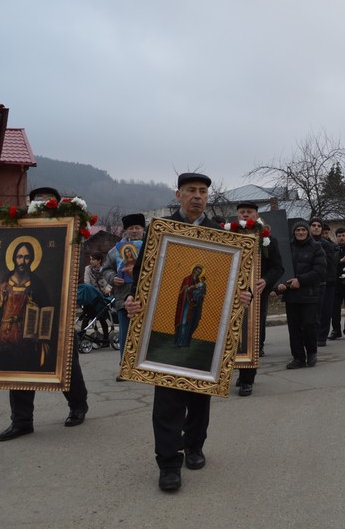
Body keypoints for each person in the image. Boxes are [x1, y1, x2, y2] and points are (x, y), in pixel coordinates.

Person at [122, 173, 252, 492]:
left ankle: (194, 446)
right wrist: (130, 300)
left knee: (199, 397)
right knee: (166, 398)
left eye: (203, 191)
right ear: (178, 195)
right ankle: (168, 463)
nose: (197, 196)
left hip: (206, 325)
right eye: (191, 190)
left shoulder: (220, 235)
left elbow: (231, 281)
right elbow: (140, 278)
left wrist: (243, 295)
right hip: (164, 321)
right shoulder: (160, 230)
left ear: (208, 197)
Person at [0, 186, 89, 442]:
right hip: (16, 331)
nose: (23, 261)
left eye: (47, 202)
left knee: (67, 364)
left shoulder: (69, 234)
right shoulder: (8, 269)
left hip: (54, 321)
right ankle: (22, 421)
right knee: (19, 369)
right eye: (37, 202)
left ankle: (78, 405)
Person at [233, 201, 284, 397]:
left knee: (250, 333)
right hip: (233, 293)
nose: (246, 215)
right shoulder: (229, 234)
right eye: (242, 212)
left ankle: (247, 379)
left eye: (250, 212)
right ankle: (237, 370)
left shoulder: (267, 239)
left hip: (256, 293)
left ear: (256, 214)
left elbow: (278, 267)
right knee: (232, 333)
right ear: (237, 215)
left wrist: (265, 281)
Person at [277, 220, 326, 369]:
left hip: (309, 294)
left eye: (303, 230)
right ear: (294, 232)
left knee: (309, 325)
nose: (300, 232)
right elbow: (281, 267)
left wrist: (301, 280)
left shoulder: (317, 248)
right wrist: (279, 284)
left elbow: (320, 271)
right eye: (297, 230)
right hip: (291, 296)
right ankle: (298, 357)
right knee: (294, 328)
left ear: (307, 232)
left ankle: (312, 352)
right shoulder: (287, 248)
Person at [103, 213, 145, 365]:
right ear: (125, 231)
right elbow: (106, 269)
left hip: (147, 296)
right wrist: (113, 279)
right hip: (123, 296)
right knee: (126, 333)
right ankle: (126, 365)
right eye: (131, 228)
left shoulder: (153, 245)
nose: (134, 231)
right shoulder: (115, 251)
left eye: (137, 228)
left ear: (143, 229)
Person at [310, 218, 339, 346]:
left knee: (325, 310)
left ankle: (322, 337)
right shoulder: (305, 243)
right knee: (313, 311)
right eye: (313, 225)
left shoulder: (326, 244)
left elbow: (329, 264)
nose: (316, 228)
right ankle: (312, 336)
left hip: (327, 281)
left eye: (318, 226)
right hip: (310, 282)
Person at [174, 265, 207, 347]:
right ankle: (180, 342)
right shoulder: (187, 279)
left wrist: (199, 291)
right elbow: (183, 291)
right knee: (184, 322)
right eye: (197, 270)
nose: (197, 272)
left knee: (190, 323)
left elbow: (201, 292)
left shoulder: (198, 281)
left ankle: (185, 341)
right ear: (194, 270)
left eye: (199, 271)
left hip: (193, 306)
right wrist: (188, 289)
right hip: (186, 303)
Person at [83, 251, 111, 344]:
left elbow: (109, 281)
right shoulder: (88, 269)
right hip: (92, 295)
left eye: (93, 259)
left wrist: (108, 288)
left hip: (103, 295)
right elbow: (86, 282)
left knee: (101, 316)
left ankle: (106, 339)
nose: (91, 261)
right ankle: (82, 336)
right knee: (86, 315)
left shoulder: (105, 269)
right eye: (90, 259)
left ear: (99, 260)